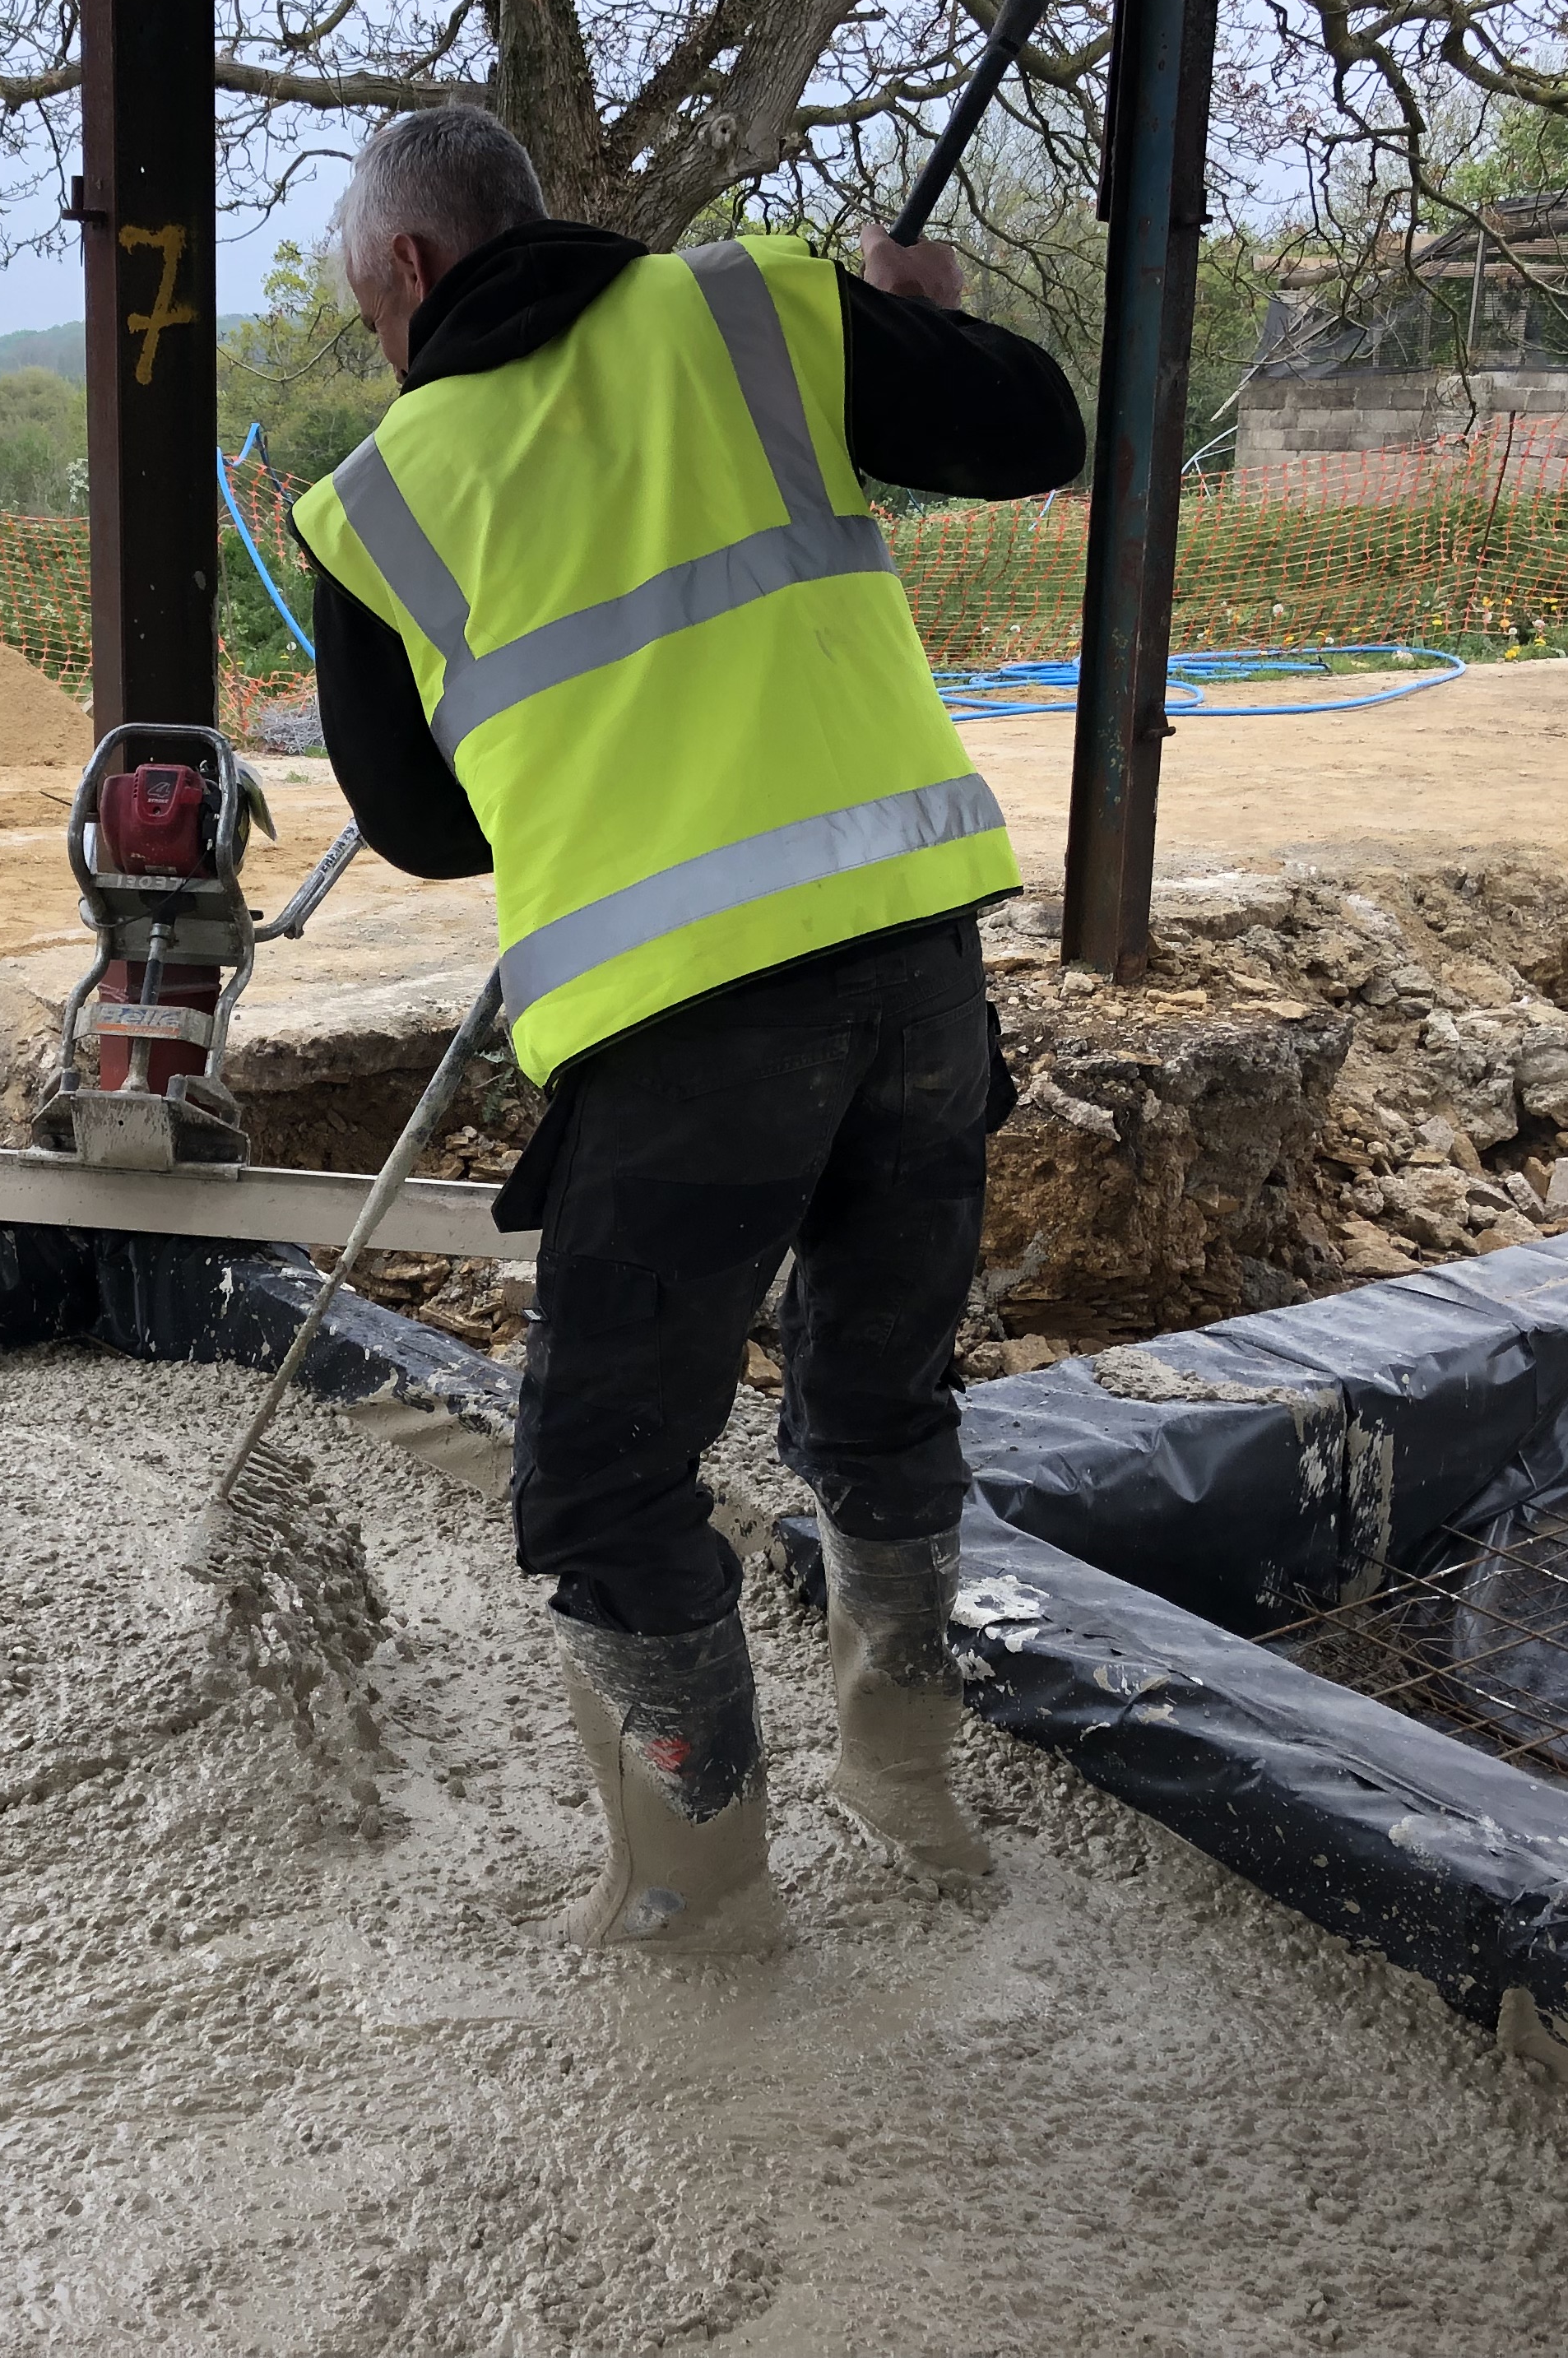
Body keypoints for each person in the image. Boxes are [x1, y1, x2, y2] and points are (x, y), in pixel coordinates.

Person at [291, 105, 1085, 1950]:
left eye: (362, 305)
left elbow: (423, 829)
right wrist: (926, 321)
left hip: (679, 1034)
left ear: (411, 270)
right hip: (917, 981)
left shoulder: (378, 501)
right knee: (877, 1399)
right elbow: (1032, 429)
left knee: (605, 1481)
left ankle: (698, 1902)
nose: (375, 341)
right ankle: (912, 1792)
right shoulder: (757, 316)